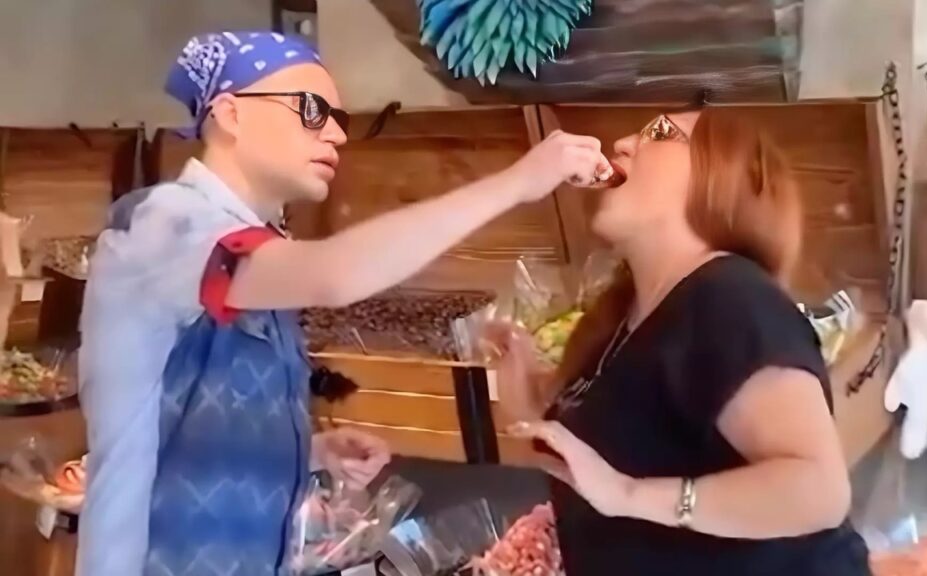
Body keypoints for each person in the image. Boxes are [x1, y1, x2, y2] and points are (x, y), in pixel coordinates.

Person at [76, 31, 609, 576]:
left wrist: (307, 451)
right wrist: (517, 183)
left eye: (338, 118)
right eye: (311, 110)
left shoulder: (256, 247)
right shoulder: (163, 223)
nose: (334, 133)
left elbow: (188, 422)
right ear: (231, 114)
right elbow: (334, 276)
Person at [493, 109, 873, 575]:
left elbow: (817, 491)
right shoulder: (620, 318)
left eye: (660, 133)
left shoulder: (729, 296)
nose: (623, 144)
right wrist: (528, 401)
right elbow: (606, 468)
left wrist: (629, 495)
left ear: (723, 179)